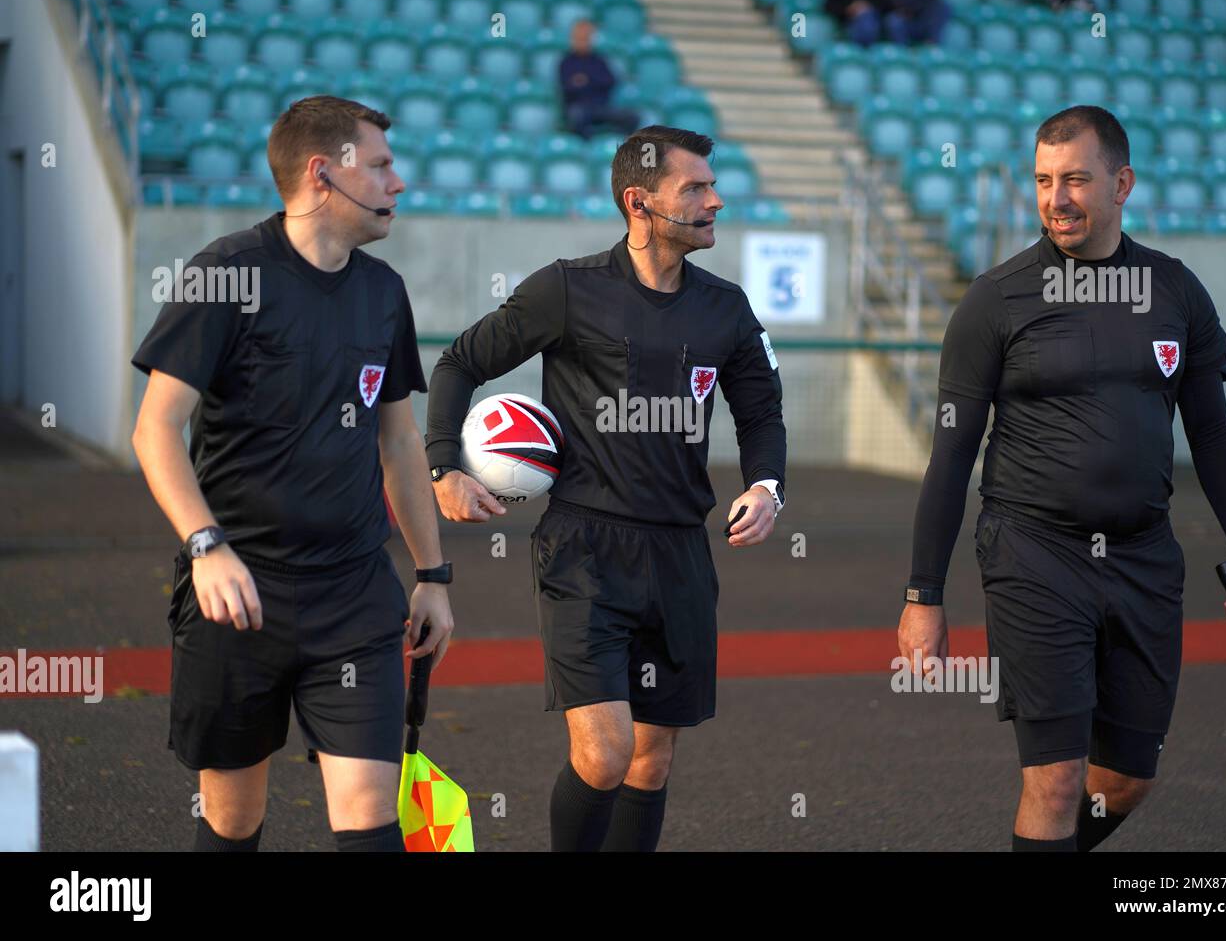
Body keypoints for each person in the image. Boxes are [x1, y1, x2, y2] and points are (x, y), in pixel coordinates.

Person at [897, 105, 1226, 851]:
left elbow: (1211, 434)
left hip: (1144, 558)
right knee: (1057, 777)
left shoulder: (1176, 292)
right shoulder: (995, 299)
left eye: (1075, 178)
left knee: (1127, 779)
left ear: (1122, 183)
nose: (1056, 198)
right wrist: (924, 595)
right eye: (1042, 180)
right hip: (1033, 555)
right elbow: (951, 457)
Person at [424, 126, 787, 852]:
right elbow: (460, 363)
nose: (716, 199)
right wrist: (444, 466)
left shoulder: (726, 308)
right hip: (584, 550)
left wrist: (767, 486)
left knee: (650, 763)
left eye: (713, 184)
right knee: (604, 754)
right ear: (639, 203)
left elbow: (761, 410)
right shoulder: (566, 288)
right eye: (696, 188)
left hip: (681, 553)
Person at [131, 96, 454, 852]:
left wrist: (434, 573)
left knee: (371, 818)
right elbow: (155, 430)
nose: (396, 183)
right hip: (239, 596)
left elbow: (399, 444)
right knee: (234, 821)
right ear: (322, 173)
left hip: (354, 596)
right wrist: (207, 547)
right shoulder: (226, 274)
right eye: (378, 166)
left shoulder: (383, 293)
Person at [559, 20, 640, 139]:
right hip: (579, 107)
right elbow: (568, 87)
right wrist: (592, 82)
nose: (583, 41)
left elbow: (610, 81)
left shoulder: (599, 60)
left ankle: (620, 147)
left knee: (632, 117)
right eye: (579, 37)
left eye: (586, 37)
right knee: (576, 116)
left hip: (601, 107)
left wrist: (585, 80)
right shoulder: (566, 62)